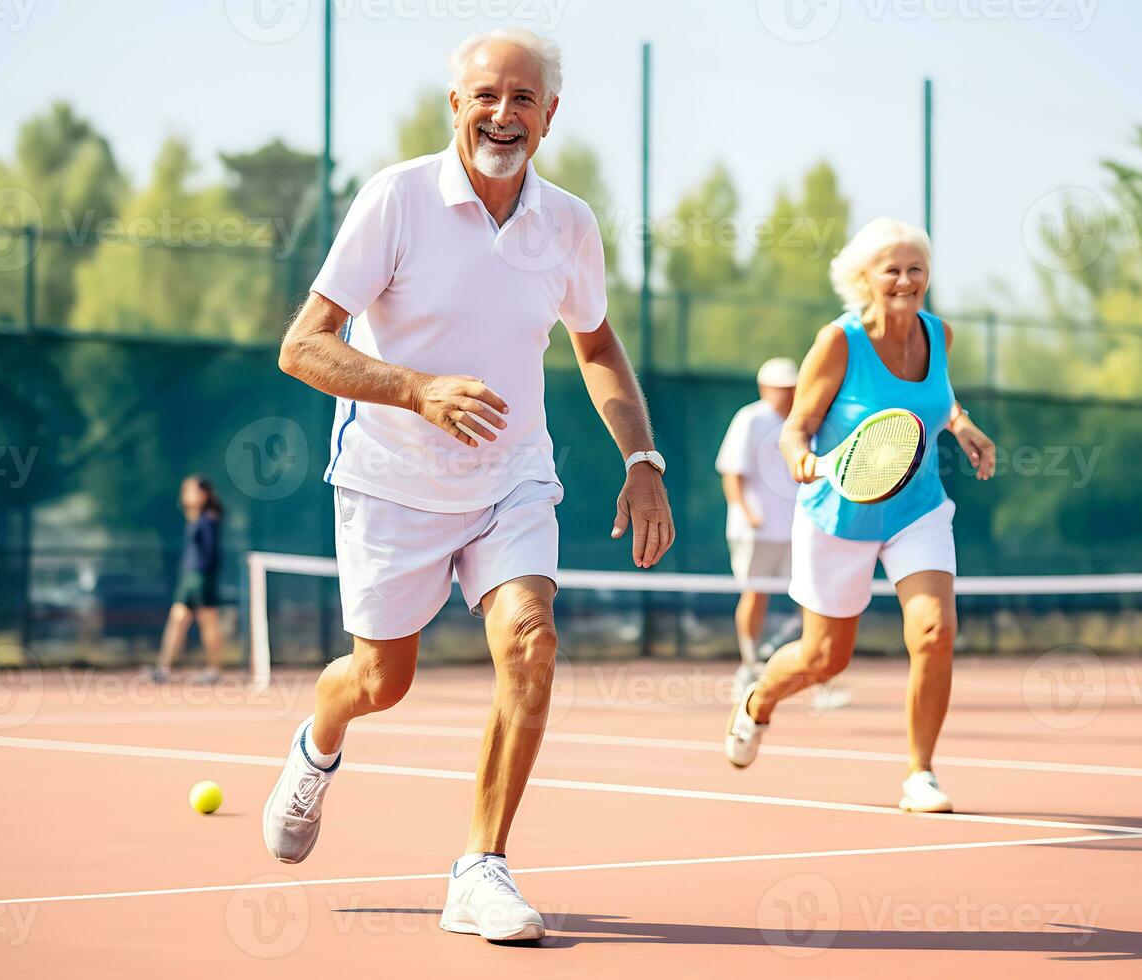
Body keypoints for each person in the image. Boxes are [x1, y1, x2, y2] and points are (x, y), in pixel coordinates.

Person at [264, 28, 674, 943]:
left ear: (550, 115)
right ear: (455, 105)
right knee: (381, 680)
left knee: (531, 641)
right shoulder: (396, 200)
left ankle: (479, 869)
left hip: (512, 477)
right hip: (390, 481)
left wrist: (642, 463)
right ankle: (316, 743)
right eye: (486, 95)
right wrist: (416, 390)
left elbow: (597, 344)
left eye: (523, 98)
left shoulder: (569, 222)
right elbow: (303, 346)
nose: (503, 113)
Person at [723, 217, 996, 814]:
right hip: (837, 515)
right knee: (825, 660)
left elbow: (939, 397)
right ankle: (757, 703)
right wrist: (800, 456)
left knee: (935, 630)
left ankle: (920, 773)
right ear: (864, 278)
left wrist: (962, 423)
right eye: (891, 269)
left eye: (915, 268)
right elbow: (799, 424)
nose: (905, 279)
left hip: (916, 509)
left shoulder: (938, 334)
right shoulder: (839, 341)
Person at [716, 357, 798, 691]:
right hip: (755, 530)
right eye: (780, 389)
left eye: (792, 388)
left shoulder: (806, 422)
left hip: (797, 530)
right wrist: (748, 512)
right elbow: (731, 474)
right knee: (756, 593)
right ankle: (749, 666)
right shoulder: (750, 419)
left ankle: (811, 673)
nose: (787, 395)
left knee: (810, 598)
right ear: (765, 389)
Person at [149, 475, 224, 684]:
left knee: (208, 622)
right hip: (188, 577)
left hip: (201, 577)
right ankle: (163, 669)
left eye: (191, 491)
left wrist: (204, 579)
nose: (186, 495)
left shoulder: (209, 519)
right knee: (177, 619)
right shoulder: (194, 518)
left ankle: (214, 670)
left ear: (204, 494)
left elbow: (210, 554)